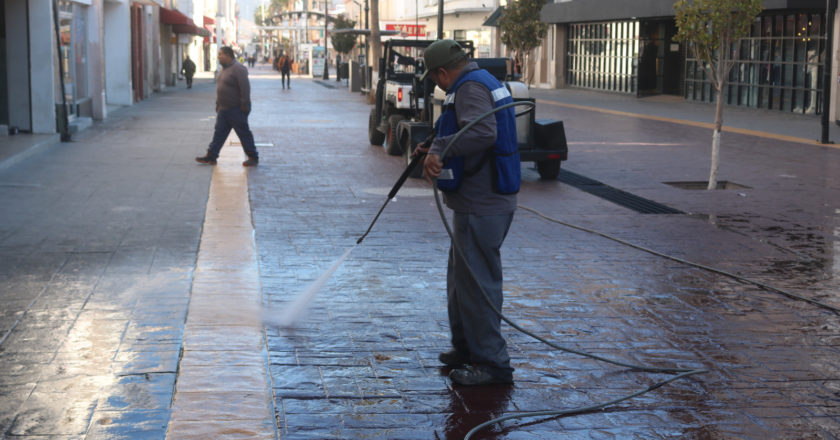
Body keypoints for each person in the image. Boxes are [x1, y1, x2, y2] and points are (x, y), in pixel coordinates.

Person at [416, 39, 520, 386]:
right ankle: (466, 348)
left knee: (477, 285)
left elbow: (481, 131)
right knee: (462, 280)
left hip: (483, 203)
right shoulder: (483, 81)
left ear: (442, 72)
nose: (435, 83)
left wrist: (441, 150)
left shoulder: (471, 87)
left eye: (433, 77)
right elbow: (461, 126)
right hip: (477, 202)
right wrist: (433, 144)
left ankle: (492, 364)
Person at [195, 46, 259, 167]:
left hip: (237, 109)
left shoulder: (238, 69)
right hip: (224, 109)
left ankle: (253, 156)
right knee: (219, 133)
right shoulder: (223, 69)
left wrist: (244, 104)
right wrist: (218, 104)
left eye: (220, 54)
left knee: (243, 133)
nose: (218, 57)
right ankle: (211, 156)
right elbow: (220, 89)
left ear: (228, 55)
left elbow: (245, 88)